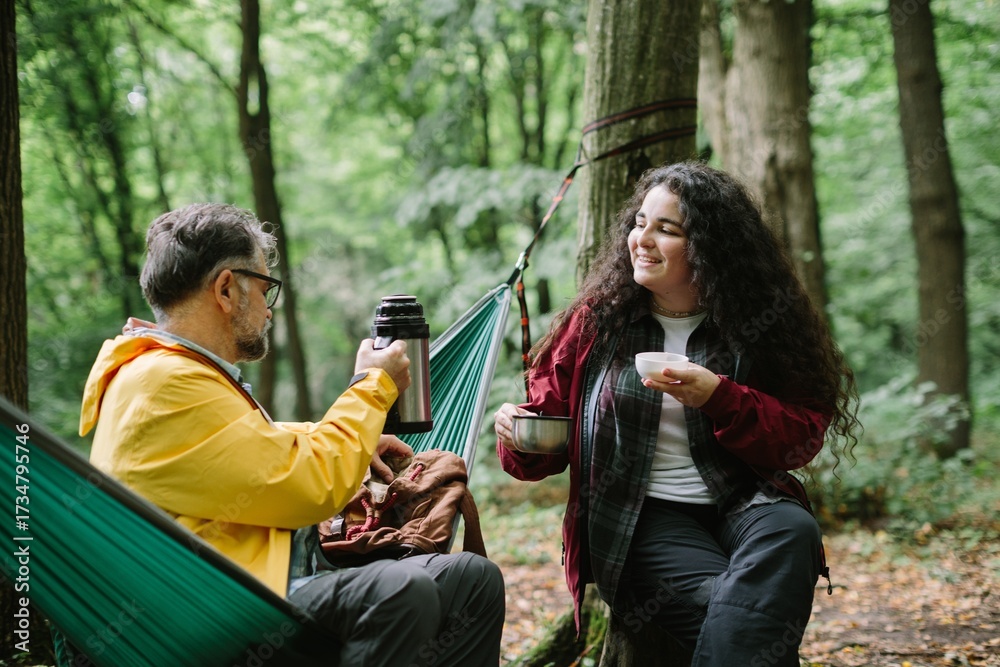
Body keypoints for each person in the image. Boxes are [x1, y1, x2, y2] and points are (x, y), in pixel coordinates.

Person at [80, 203, 505, 666]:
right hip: (207, 612)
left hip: (252, 585)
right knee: (402, 591)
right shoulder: (162, 381)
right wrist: (372, 386)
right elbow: (312, 485)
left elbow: (248, 450)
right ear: (226, 289)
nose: (268, 310)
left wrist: (357, 442)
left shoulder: (177, 375)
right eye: (265, 289)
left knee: (472, 579)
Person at [494, 162, 860, 665]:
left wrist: (719, 396)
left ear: (710, 247)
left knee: (793, 530)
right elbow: (538, 451)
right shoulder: (597, 323)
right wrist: (517, 433)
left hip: (742, 499)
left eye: (666, 229)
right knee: (742, 613)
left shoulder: (758, 321)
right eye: (639, 223)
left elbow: (801, 437)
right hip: (642, 515)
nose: (641, 239)